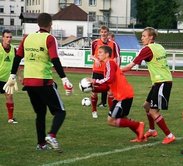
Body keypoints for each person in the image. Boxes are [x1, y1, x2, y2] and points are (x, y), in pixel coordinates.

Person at [3, 13, 73, 152]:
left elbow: (17, 58)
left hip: (29, 83)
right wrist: (64, 78)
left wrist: (12, 76)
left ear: (38, 24)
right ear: (50, 24)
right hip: (43, 81)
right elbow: (55, 59)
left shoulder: (27, 38)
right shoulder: (49, 38)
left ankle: (41, 144)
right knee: (60, 111)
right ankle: (52, 135)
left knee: (40, 113)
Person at [122, 27, 175, 144]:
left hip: (162, 82)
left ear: (151, 37)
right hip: (160, 81)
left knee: (153, 111)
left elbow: (130, 66)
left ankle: (170, 135)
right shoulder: (159, 47)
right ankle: (151, 130)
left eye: (144, 36)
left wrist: (116, 71)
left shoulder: (147, 49)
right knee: (146, 106)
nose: (142, 38)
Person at [89, 45, 145, 142]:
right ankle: (140, 136)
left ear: (107, 54)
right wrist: (94, 88)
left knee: (111, 120)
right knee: (123, 118)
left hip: (122, 95)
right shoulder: (108, 64)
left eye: (100, 52)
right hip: (121, 95)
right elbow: (107, 86)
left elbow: (108, 79)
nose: (98, 54)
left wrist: (95, 81)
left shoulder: (109, 63)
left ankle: (138, 125)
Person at [90, 26, 120, 118]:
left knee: (110, 92)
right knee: (94, 91)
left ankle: (111, 113)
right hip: (97, 70)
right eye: (102, 32)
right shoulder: (95, 43)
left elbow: (117, 57)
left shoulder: (113, 44)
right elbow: (91, 55)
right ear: (100, 33)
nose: (104, 33)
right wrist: (96, 59)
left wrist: (117, 69)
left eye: (105, 32)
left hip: (108, 71)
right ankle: (94, 111)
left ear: (108, 33)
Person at [0, 29, 18, 124]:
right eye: (7, 37)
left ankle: (10, 119)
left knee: (10, 97)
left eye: (10, 37)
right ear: (3, 38)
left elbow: (16, 64)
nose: (9, 39)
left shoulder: (14, 50)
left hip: (8, 79)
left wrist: (18, 76)